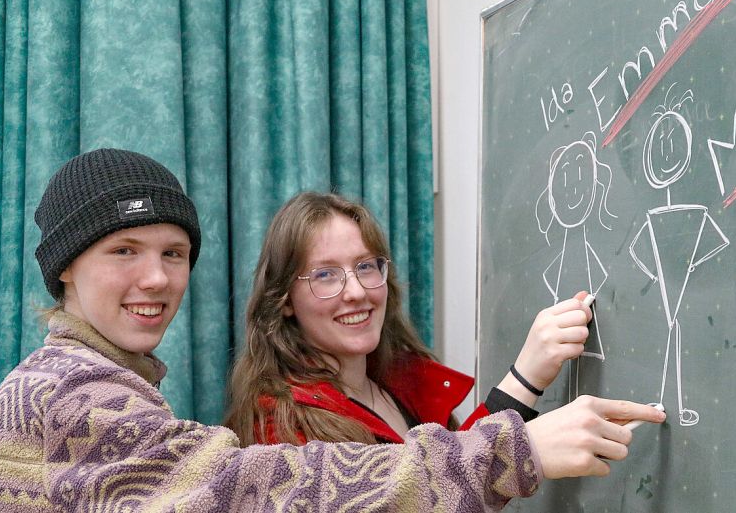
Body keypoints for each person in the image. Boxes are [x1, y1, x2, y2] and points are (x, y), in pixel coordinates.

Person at [0, 148, 666, 512]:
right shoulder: (68, 390)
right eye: (124, 251)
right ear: (64, 272)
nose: (155, 279)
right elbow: (251, 490)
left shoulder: (109, 383)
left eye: (173, 253)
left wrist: (521, 383)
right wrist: (510, 448)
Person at [224, 191, 662, 450]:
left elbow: (457, 470)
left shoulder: (397, 384)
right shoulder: (279, 429)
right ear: (284, 301)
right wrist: (532, 447)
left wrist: (526, 377)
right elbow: (441, 490)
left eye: (365, 266)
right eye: (325, 275)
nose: (355, 291)